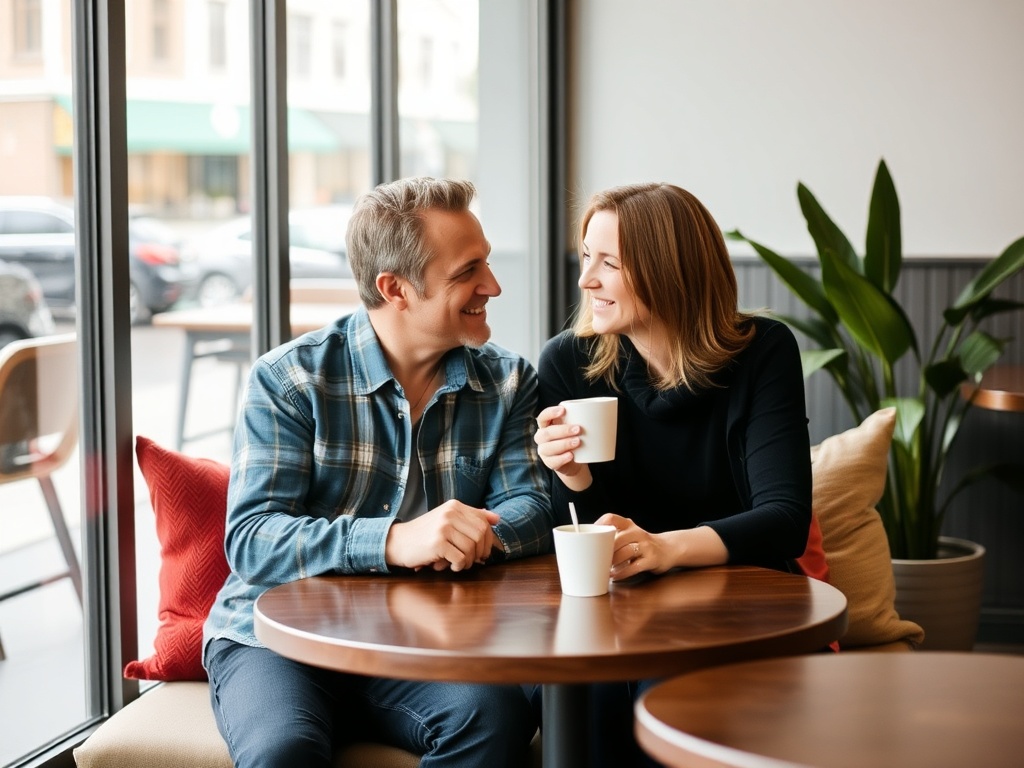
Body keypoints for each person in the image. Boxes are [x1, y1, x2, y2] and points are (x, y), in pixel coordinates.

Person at [202, 177, 553, 768]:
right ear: (395, 289)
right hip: (275, 641)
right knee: (283, 750)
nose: (492, 286)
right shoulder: (290, 381)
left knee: (492, 720)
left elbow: (535, 507)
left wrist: (474, 533)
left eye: (487, 263)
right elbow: (252, 539)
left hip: (420, 642)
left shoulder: (509, 381)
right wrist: (394, 541)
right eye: (468, 271)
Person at [532, 182, 812, 767]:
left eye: (609, 263)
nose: (586, 280)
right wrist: (574, 476)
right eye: (587, 257)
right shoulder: (569, 362)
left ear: (670, 271)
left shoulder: (763, 352)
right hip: (621, 604)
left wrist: (663, 549)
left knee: (667, 699)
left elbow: (784, 520)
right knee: (586, 697)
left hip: (740, 600)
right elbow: (581, 529)